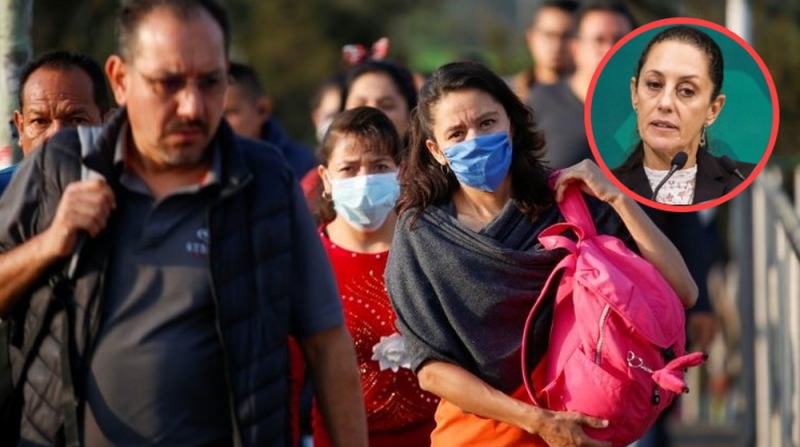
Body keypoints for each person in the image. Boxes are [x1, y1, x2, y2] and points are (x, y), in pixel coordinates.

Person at [0, 0, 367, 446]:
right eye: (168, 82)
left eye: (210, 82)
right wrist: (50, 245)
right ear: (120, 80)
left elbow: (327, 343)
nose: (191, 106)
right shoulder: (59, 168)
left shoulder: (265, 183)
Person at [385, 61, 698, 447]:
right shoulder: (422, 234)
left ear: (510, 125)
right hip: (480, 435)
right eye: (457, 133)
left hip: (583, 426)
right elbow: (431, 369)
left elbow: (682, 290)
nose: (475, 140)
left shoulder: (568, 202)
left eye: (487, 123)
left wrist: (618, 199)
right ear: (436, 150)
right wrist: (539, 421)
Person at [312, 106, 438, 447]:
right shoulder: (309, 262)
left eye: (379, 166)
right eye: (349, 169)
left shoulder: (431, 248)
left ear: (400, 171)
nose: (363, 180)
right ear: (326, 178)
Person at [611, 25, 756, 205]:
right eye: (655, 84)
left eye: (687, 91)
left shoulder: (747, 183)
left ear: (713, 110)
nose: (665, 104)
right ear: (635, 95)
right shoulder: (604, 189)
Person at [530, 1, 634, 169]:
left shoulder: (650, 112)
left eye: (619, 39)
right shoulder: (541, 101)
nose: (610, 49)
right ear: (576, 48)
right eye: (599, 40)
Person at [0, 50, 111, 196]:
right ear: (20, 127)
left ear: (108, 125)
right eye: (40, 121)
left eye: (76, 120)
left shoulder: (140, 199)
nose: (57, 135)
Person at [224, 61, 317, 178]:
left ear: (262, 109)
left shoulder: (307, 166)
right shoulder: (200, 166)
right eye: (214, 114)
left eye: (229, 113)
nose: (220, 124)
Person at [509, 0, 578, 101]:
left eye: (566, 36)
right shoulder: (508, 94)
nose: (557, 45)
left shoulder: (594, 97)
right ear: (531, 38)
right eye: (549, 35)